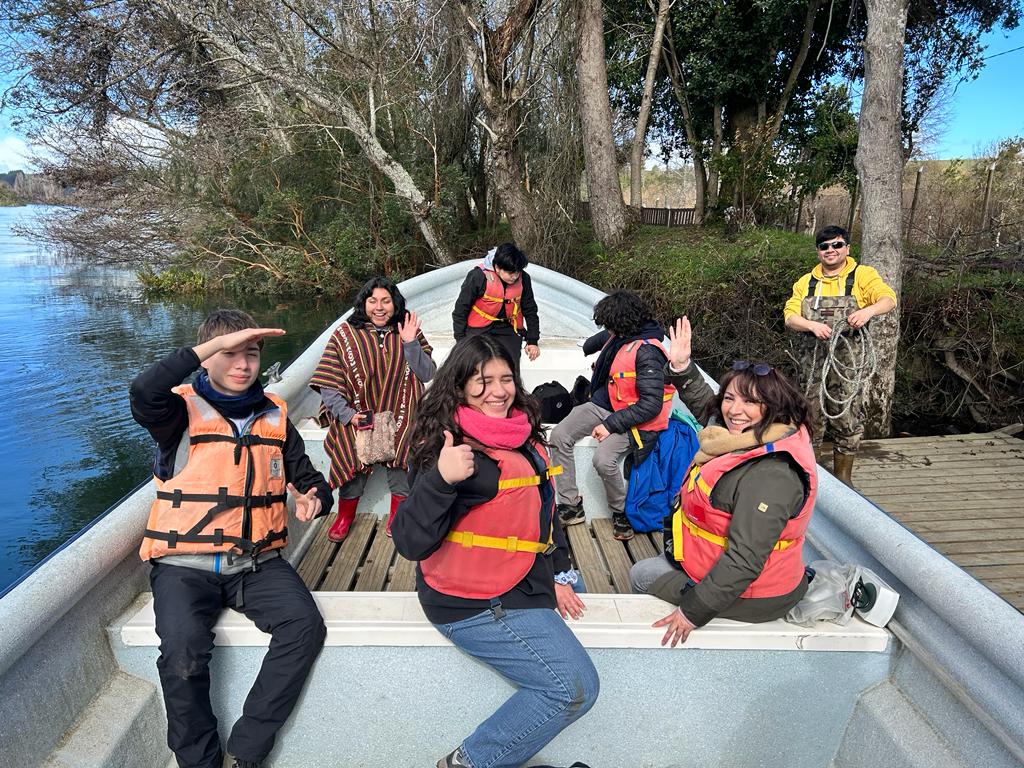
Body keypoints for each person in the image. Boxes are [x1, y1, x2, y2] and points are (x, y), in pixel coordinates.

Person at [130, 309, 333, 768]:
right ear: (205, 359)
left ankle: (246, 750)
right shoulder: (175, 413)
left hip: (256, 564)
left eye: (252, 353)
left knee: (304, 627)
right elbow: (143, 389)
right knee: (182, 654)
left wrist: (314, 499)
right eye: (229, 353)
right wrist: (208, 348)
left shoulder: (275, 415)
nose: (242, 364)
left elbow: (313, 481)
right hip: (184, 568)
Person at [391, 335, 598, 768]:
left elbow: (542, 512)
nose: (498, 391)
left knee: (579, 587)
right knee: (574, 687)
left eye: (506, 379)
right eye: (482, 382)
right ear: (460, 386)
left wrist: (557, 575)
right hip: (470, 601)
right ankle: (468, 762)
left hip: (521, 577)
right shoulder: (447, 449)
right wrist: (440, 481)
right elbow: (409, 541)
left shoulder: (521, 435)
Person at [630, 316, 819, 647]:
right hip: (708, 562)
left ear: (773, 408)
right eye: (730, 397)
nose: (736, 410)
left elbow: (745, 562)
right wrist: (684, 367)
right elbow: (712, 410)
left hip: (755, 594)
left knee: (640, 575)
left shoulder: (772, 474)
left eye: (750, 402)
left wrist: (692, 613)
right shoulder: (748, 436)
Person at [310, 277, 435, 540]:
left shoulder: (407, 329)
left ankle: (397, 517)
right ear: (363, 304)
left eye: (386, 301)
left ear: (395, 303)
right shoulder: (345, 333)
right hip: (357, 415)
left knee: (405, 453)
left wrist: (411, 343)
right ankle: (345, 517)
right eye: (373, 301)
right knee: (350, 460)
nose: (379, 307)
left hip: (401, 413)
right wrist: (347, 416)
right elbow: (329, 383)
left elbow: (427, 373)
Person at [549, 290, 673, 541]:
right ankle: (571, 505)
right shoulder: (620, 336)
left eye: (610, 325)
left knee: (602, 459)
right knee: (559, 435)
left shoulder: (648, 351)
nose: (608, 330)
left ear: (622, 324)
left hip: (634, 419)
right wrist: (588, 347)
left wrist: (609, 425)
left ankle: (620, 512)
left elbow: (651, 405)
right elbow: (600, 340)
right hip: (604, 404)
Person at [784, 225, 897, 485]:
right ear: (818, 251)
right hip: (812, 360)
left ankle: (843, 477)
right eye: (824, 246)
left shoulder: (862, 275)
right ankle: (810, 475)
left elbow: (888, 298)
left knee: (846, 414)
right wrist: (811, 325)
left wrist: (867, 312)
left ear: (847, 247)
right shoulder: (806, 282)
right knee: (809, 414)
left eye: (836, 245)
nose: (830, 250)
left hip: (848, 360)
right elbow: (790, 316)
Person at [452, 241, 540, 371]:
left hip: (508, 327)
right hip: (479, 328)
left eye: (517, 272)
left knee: (510, 364)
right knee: (476, 365)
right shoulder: (478, 276)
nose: (515, 277)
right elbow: (460, 310)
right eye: (510, 273)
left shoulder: (524, 279)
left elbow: (530, 309)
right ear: (497, 268)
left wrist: (533, 340)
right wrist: (460, 340)